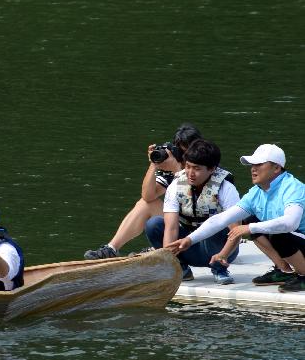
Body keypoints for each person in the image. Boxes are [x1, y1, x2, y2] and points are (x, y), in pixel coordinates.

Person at [166, 144, 305, 293]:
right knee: (250, 220)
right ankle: (283, 270)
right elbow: (221, 219)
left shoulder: (293, 188)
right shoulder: (256, 193)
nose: (253, 169)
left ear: (277, 168)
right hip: (296, 241)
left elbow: (291, 223)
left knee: (275, 235)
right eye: (252, 165)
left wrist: (250, 228)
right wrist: (190, 239)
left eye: (259, 164)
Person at [84, 123, 204, 259]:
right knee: (146, 204)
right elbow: (148, 196)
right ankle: (111, 249)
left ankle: (157, 249)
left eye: (185, 152)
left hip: (201, 231)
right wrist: (154, 164)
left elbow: (195, 200)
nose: (183, 157)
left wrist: (177, 169)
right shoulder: (173, 167)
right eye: (180, 151)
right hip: (179, 225)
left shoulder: (205, 166)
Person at [144, 139, 240, 284]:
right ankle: (180, 268)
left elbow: (236, 232)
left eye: (196, 168)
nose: (190, 173)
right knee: (154, 224)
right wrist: (168, 261)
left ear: (212, 169)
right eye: (188, 166)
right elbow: (171, 228)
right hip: (188, 247)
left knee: (218, 225)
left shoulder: (226, 188)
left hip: (219, 249)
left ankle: (219, 268)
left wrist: (223, 255)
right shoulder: (176, 185)